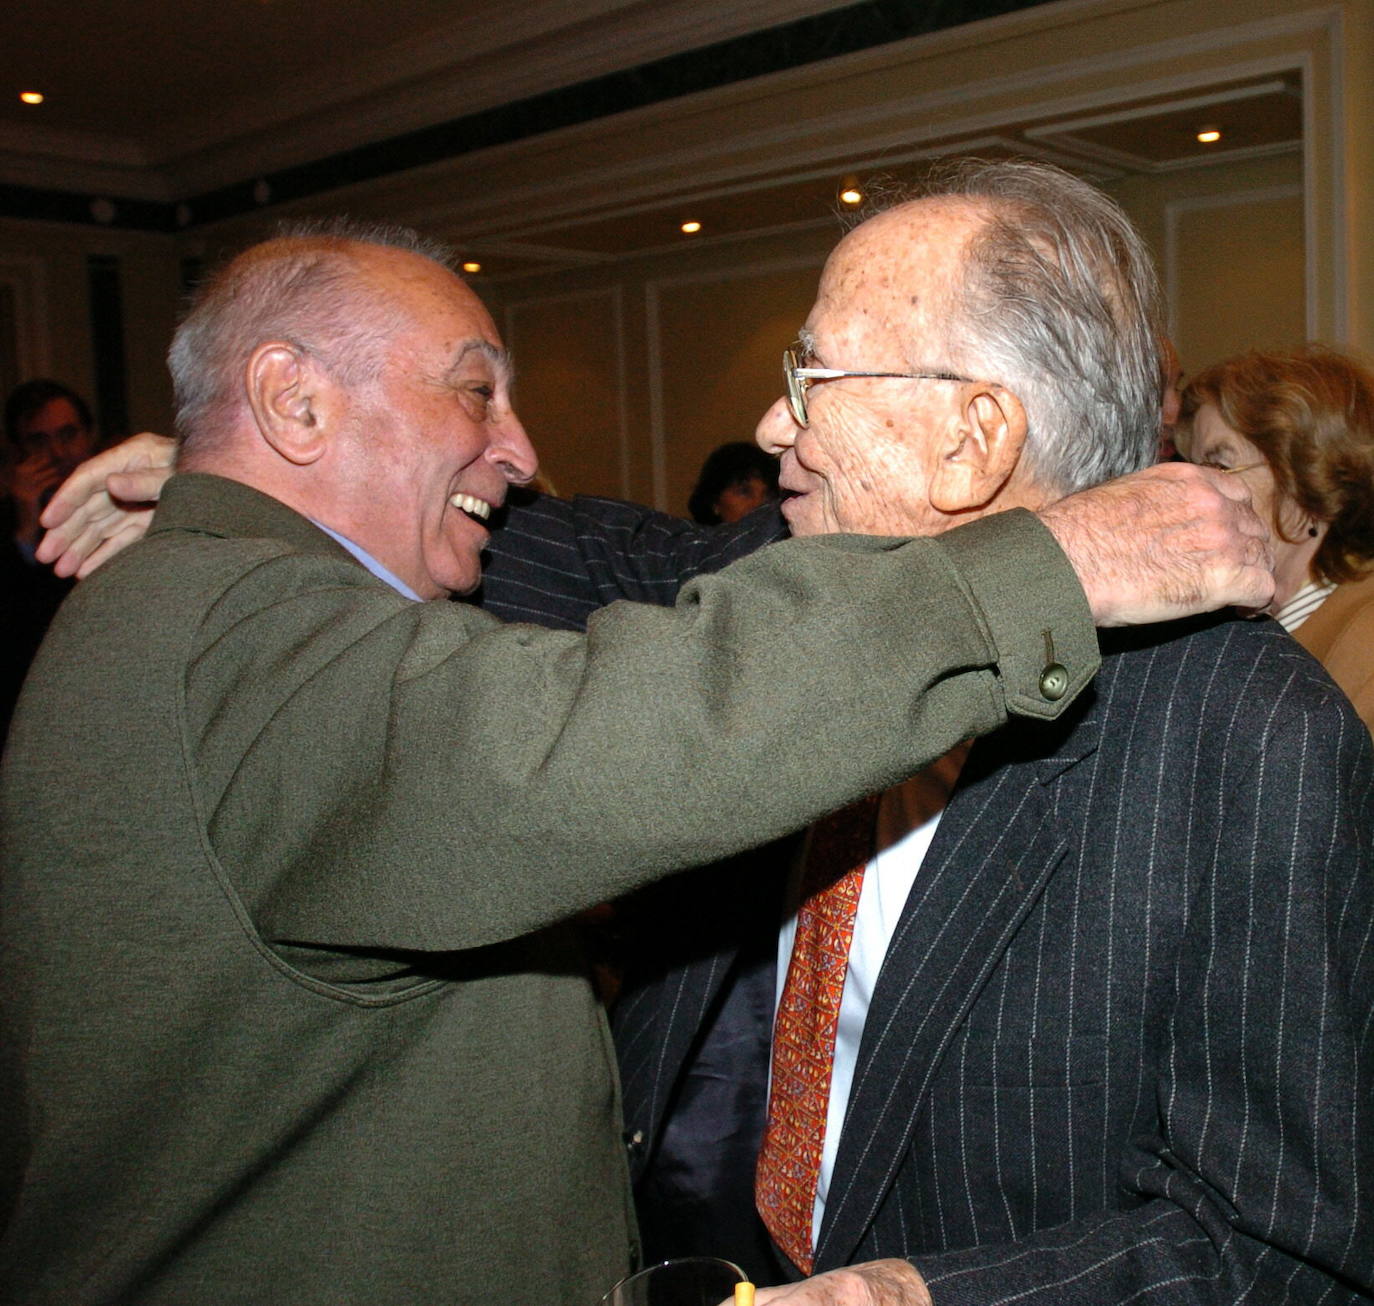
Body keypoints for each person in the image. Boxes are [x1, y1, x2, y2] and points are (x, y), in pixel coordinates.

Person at [0, 218, 1272, 1306]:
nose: (519, 448)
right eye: (474, 388)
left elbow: (674, 585)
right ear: (293, 399)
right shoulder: (237, 631)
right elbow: (583, 740)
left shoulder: (1240, 719)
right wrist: (1048, 573)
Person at [610, 161, 1374, 1305]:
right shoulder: (794, 625)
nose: (773, 422)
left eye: (813, 374)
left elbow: (1279, 1247)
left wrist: (914, 1297)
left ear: (975, 438)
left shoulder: (1251, 736)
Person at [1180, 344, 1374, 733]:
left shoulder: (1364, 639)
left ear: (1308, 478)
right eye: (1191, 470)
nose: (1191, 494)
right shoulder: (1232, 630)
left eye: (1220, 466)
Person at [1, 379, 98, 736]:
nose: (57, 453)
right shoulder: (9, 527)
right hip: (32, 709)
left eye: (68, 434)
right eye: (39, 441)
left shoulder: (123, 504)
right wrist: (25, 527)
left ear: (89, 437)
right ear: (18, 453)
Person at [688, 441, 781, 523]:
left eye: (768, 496)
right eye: (744, 492)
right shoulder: (688, 539)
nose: (758, 505)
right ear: (715, 502)